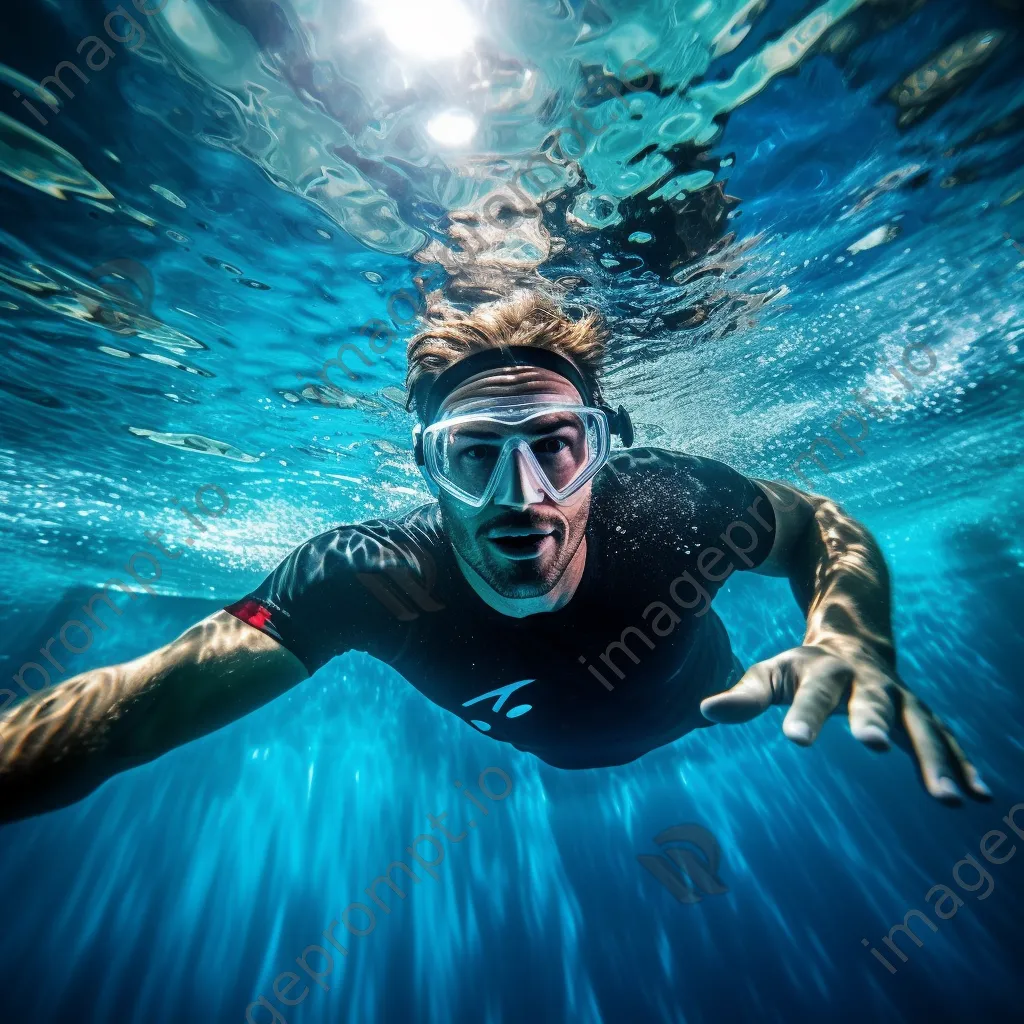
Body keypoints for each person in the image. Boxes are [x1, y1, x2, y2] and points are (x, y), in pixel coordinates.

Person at [0, 293, 989, 824]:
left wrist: (845, 631)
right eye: (473, 454)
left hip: (709, 699)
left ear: (607, 449)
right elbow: (129, 710)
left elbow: (815, 517)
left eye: (558, 445)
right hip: (560, 748)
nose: (522, 495)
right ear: (424, 472)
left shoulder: (671, 507)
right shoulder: (363, 576)